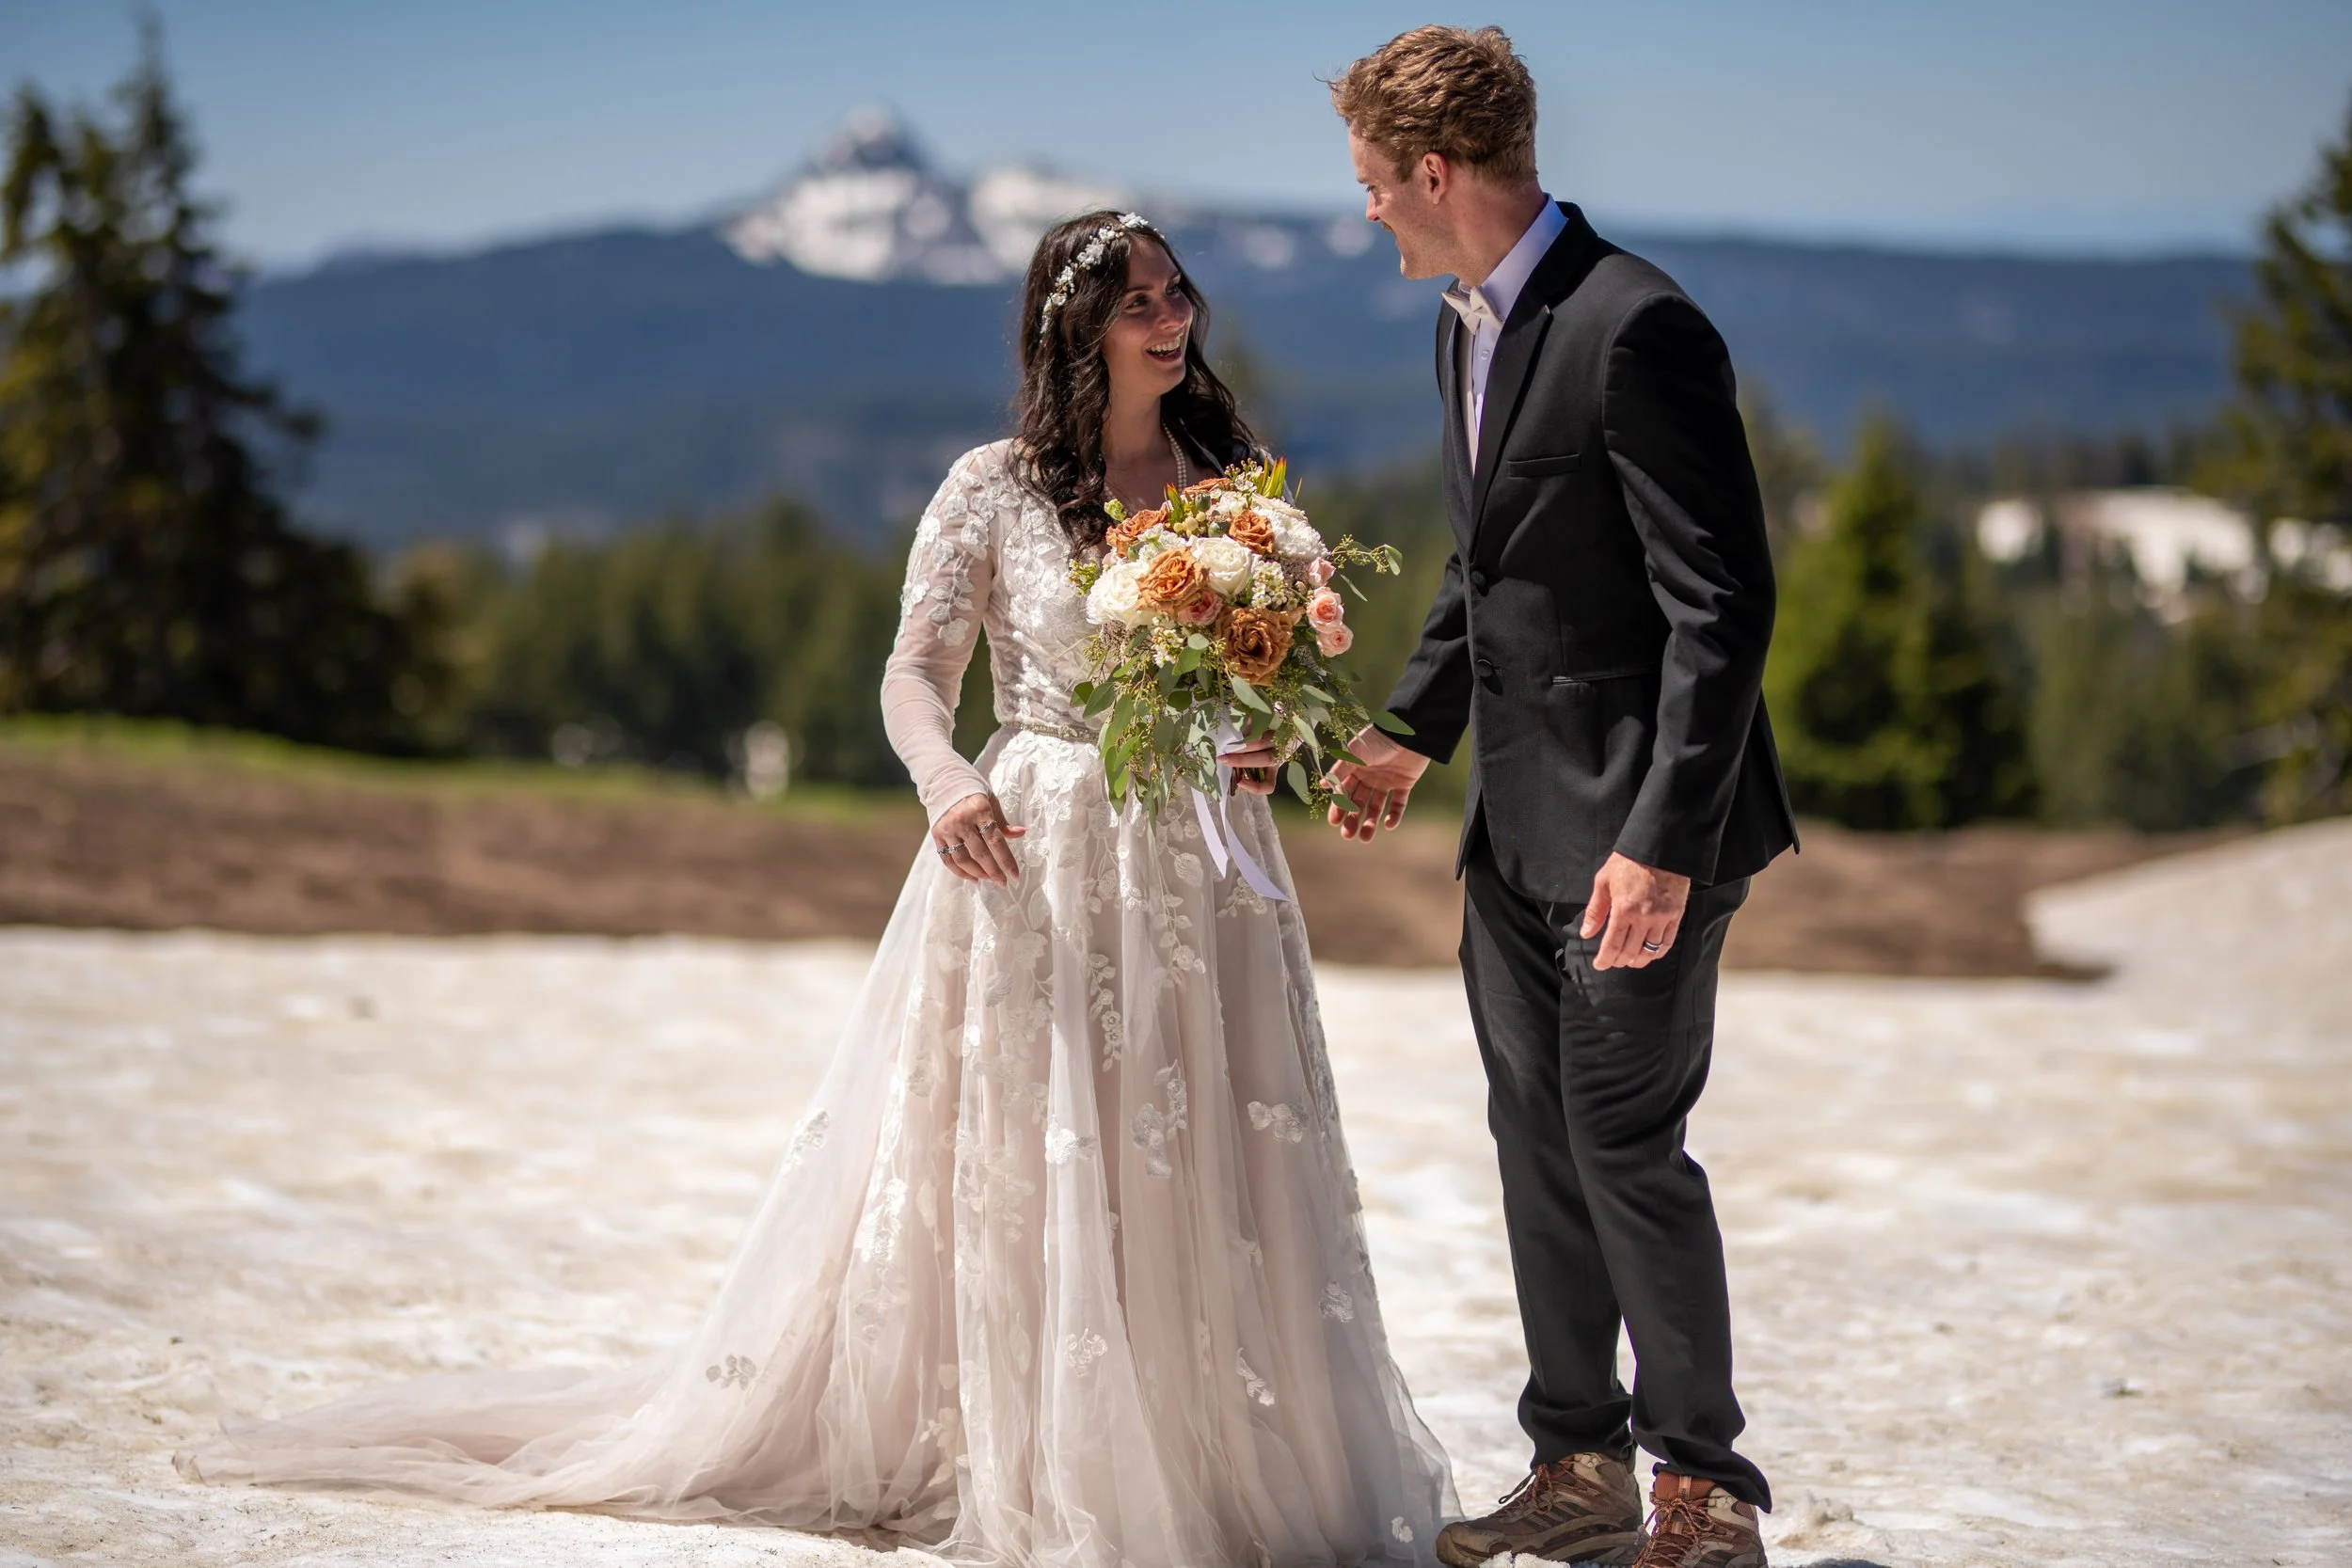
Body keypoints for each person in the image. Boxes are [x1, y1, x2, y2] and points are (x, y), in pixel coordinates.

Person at [174, 212, 1457, 1568]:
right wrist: (948, 782)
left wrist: (1262, 721)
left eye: (1175, 292)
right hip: (1040, 847)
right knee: (1047, 1153)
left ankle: (1209, 1452)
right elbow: (914, 672)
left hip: (1205, 859)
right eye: (1136, 300)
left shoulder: (1236, 480)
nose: (1169, 317)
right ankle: (1055, 1449)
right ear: (1072, 329)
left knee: (1205, 1148)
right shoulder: (994, 486)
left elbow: (1275, 667)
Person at [1322, 27, 1799, 1568]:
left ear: (1438, 173)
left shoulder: (1636, 325)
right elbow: (1491, 572)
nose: (1370, 215)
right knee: (1535, 1138)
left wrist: (1662, 842)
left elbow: (1722, 609)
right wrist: (1408, 731)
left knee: (1624, 1143)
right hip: (1517, 829)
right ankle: (1580, 1470)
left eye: (1377, 188)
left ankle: (1705, 1495)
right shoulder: (1467, 327)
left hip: (1641, 830)